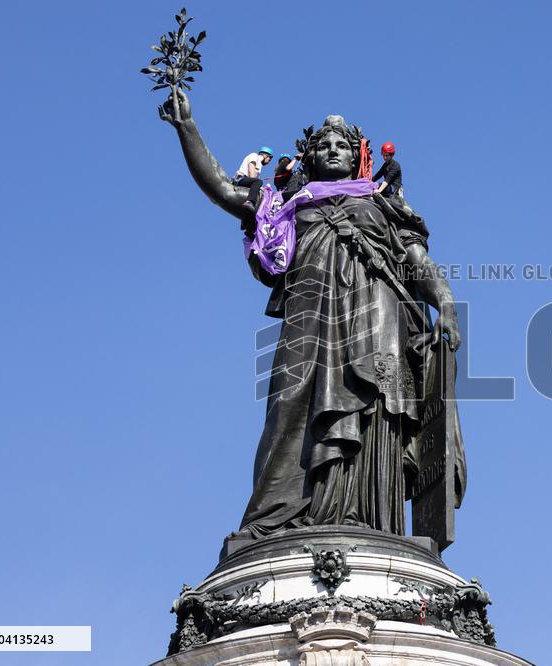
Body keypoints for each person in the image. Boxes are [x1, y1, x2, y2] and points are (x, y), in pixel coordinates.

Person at [158, 94, 465, 542]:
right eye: (323, 145)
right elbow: (224, 189)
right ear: (310, 157)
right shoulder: (286, 205)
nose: (333, 149)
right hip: (307, 318)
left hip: (378, 318)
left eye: (341, 143)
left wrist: (448, 305)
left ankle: (370, 522)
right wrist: (187, 128)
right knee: (290, 407)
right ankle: (280, 516)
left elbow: (418, 262)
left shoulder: (382, 204)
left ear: (357, 154)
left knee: (376, 410)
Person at [233, 146, 274, 211]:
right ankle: (249, 202)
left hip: (246, 180)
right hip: (240, 179)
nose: (268, 162)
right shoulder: (254, 156)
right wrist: (258, 183)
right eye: (269, 159)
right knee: (258, 182)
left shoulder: (259, 163)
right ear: (265, 155)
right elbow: (251, 172)